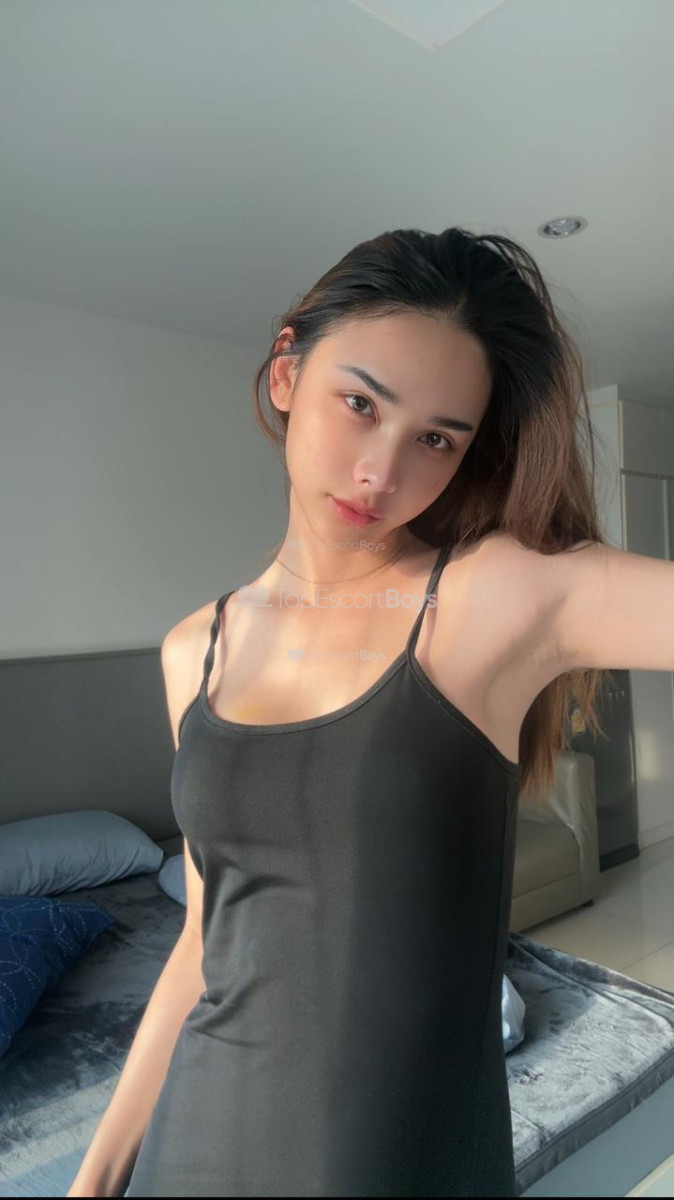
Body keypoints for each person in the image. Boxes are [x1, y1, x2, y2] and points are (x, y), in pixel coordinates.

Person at [67, 226, 612, 1197]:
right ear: (287, 372)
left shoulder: (488, 598)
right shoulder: (195, 648)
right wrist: (95, 1177)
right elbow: (206, 940)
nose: (380, 472)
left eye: (436, 438)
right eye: (360, 404)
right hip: (196, 1142)